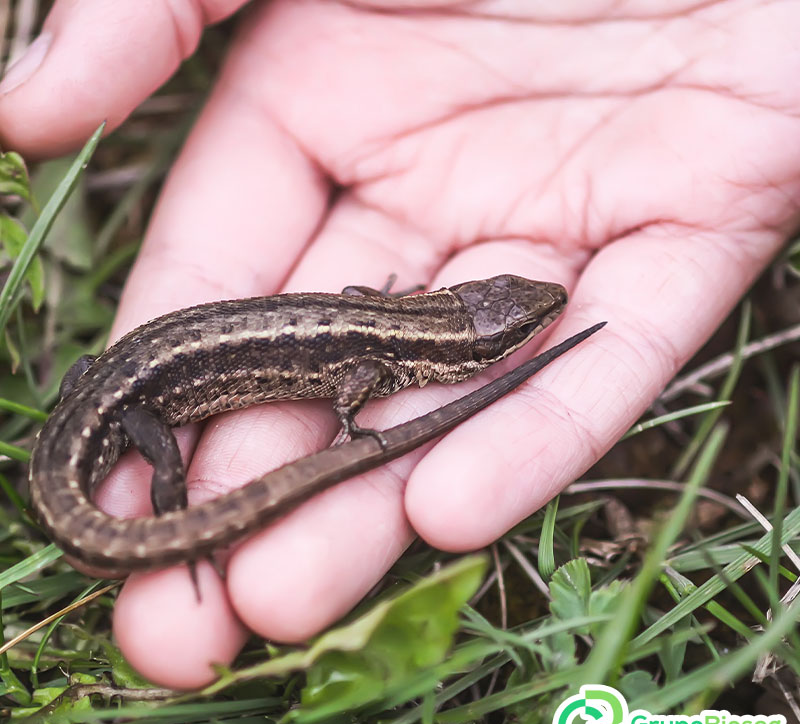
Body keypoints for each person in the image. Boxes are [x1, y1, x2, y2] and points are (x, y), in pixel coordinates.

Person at [1, 0, 798, 689]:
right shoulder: (388, 355)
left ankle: (175, 530)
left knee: (128, 406)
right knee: (167, 460)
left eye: (519, 324)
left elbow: (356, 324)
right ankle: (178, 528)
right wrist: (348, 425)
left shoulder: (396, 334)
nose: (538, 312)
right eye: (515, 326)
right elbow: (354, 373)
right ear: (468, 344)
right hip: (133, 398)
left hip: (118, 384)